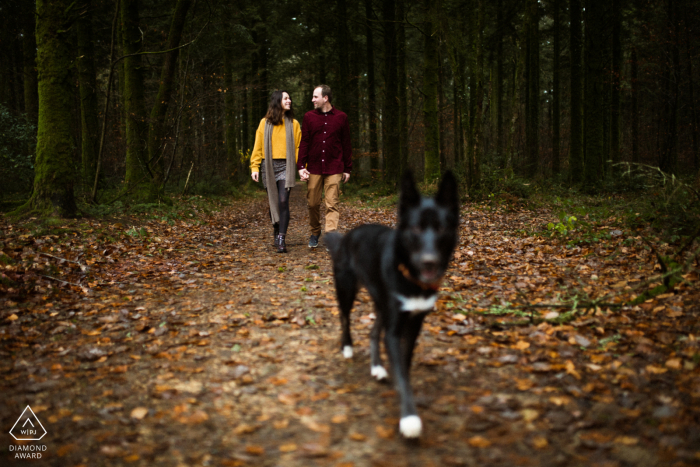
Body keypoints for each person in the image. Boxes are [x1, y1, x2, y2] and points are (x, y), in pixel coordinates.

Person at [297, 84, 352, 248]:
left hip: (334, 167)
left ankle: (330, 237)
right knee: (313, 203)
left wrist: (347, 168)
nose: (312, 99)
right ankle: (315, 232)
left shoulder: (341, 117)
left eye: (315, 97)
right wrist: (301, 165)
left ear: (325, 98)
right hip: (313, 167)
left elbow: (346, 144)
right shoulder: (309, 117)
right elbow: (304, 142)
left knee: (332, 204)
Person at [250, 90, 302, 253]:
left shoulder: (294, 124)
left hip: (286, 166)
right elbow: (258, 146)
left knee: (283, 200)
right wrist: (254, 166)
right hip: (268, 166)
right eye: (286, 98)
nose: (289, 100)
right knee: (274, 202)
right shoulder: (264, 123)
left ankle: (281, 237)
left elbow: (299, 147)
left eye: (289, 98)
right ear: (277, 101)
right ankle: (276, 226)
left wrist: (302, 167)